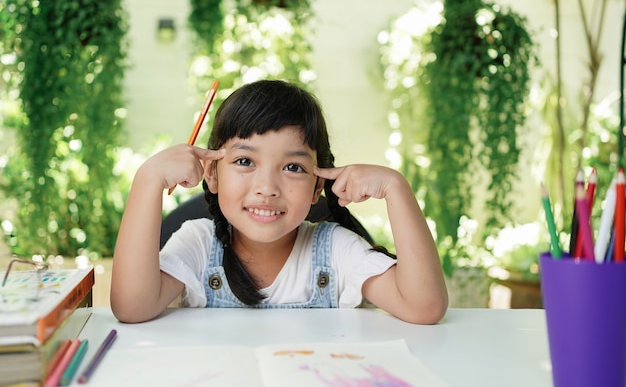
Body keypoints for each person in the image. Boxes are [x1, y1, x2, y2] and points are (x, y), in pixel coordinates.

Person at [111, 80, 448, 324]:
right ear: (211, 174)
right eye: (245, 161)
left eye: (292, 167)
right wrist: (147, 181)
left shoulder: (334, 249)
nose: (267, 187)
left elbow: (425, 308)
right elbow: (131, 307)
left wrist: (396, 188)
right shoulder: (198, 244)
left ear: (318, 186)